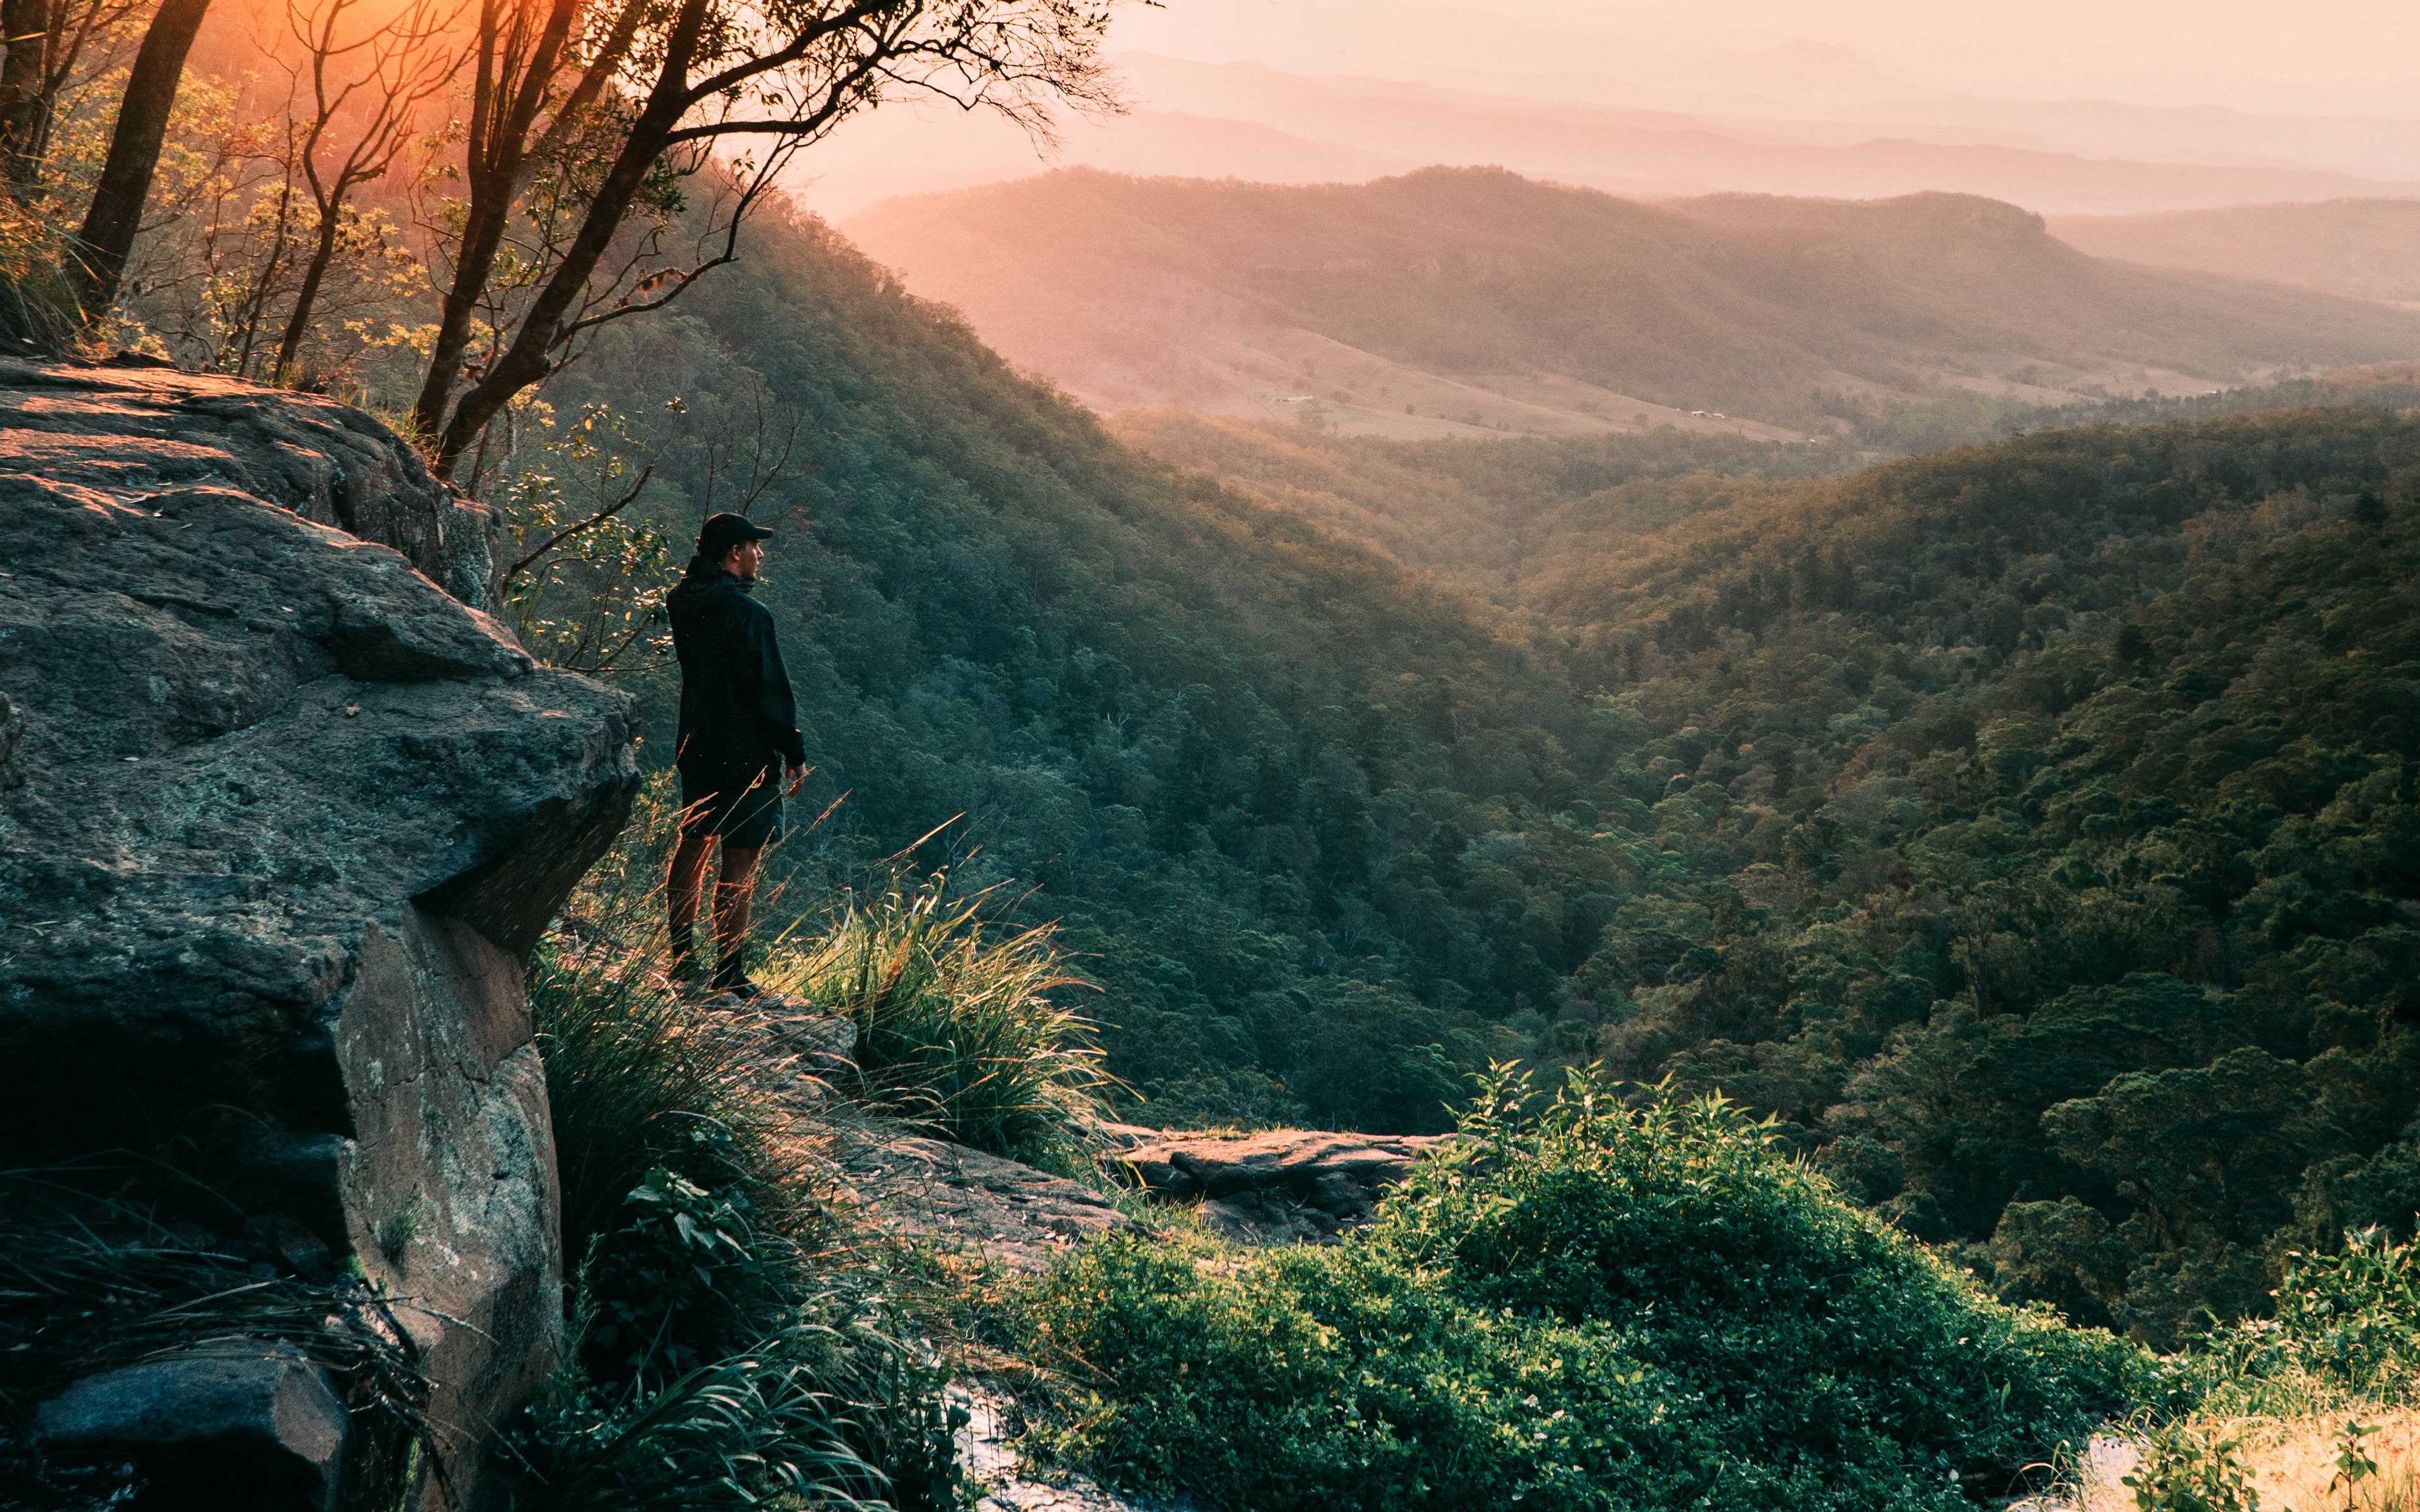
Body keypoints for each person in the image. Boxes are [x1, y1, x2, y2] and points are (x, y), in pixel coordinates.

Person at [665, 511, 808, 997]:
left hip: (698, 743)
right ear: (733, 553)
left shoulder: (682, 602)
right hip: (746, 753)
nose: (759, 554)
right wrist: (794, 750)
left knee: (694, 840)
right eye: (754, 546)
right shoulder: (750, 615)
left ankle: (682, 956)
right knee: (740, 857)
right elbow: (770, 691)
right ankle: (729, 972)